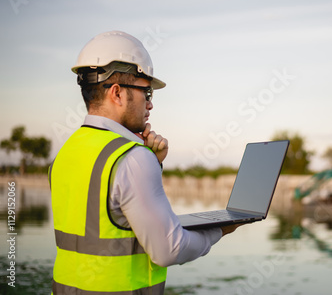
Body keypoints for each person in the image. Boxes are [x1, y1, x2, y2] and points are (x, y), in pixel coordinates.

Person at [49, 30, 239, 294]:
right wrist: (221, 229)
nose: (150, 105)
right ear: (116, 93)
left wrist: (153, 163)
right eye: (146, 92)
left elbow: (103, 218)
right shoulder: (132, 158)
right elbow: (169, 250)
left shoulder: (65, 154)